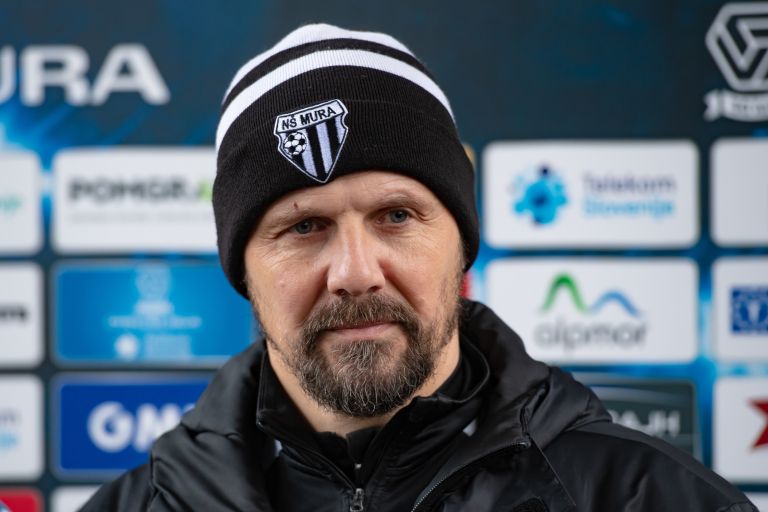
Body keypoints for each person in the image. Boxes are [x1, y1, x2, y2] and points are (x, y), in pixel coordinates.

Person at [82, 24, 757, 512]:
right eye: (305, 227)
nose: (355, 272)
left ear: (462, 243)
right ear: (243, 271)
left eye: (396, 216)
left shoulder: (644, 497)